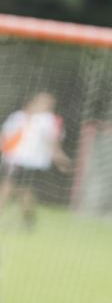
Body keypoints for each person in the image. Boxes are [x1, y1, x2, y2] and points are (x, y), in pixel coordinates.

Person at [0, 92, 71, 229]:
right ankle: (29, 221)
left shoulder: (49, 121)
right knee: (9, 187)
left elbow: (52, 141)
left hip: (33, 162)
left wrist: (59, 157)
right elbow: (4, 136)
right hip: (14, 159)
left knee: (22, 190)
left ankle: (29, 218)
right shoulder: (18, 117)